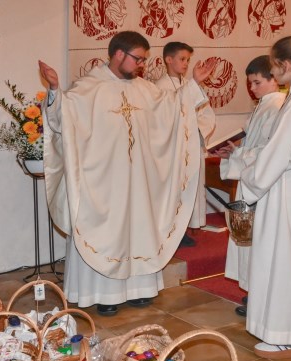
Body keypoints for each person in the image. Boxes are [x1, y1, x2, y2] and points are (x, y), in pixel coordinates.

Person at [39, 31, 213, 316]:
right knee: (106, 231)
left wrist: (193, 83)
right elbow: (62, 119)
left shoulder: (145, 89)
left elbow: (172, 108)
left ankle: (139, 289)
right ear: (119, 54)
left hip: (138, 181)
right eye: (138, 59)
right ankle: (103, 293)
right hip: (104, 182)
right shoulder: (88, 88)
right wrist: (56, 90)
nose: (142, 65)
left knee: (140, 227)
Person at [217, 27, 291, 359]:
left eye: (274, 64)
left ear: (285, 65)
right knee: (281, 257)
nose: (273, 70)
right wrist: (247, 167)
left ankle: (288, 336)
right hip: (287, 184)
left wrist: (248, 184)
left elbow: (278, 155)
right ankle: (282, 331)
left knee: (286, 260)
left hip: (286, 186)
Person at [220, 55, 286, 317]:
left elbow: (269, 152)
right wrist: (237, 150)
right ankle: (254, 292)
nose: (253, 89)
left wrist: (240, 156)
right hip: (250, 180)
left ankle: (263, 295)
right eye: (250, 84)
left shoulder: (278, 106)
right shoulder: (264, 105)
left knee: (260, 241)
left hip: (263, 185)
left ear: (274, 79)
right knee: (249, 240)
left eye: (257, 82)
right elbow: (255, 145)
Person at [155, 41, 216, 248]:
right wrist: (195, 84)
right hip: (174, 150)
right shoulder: (159, 87)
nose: (186, 64)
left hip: (191, 144)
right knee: (176, 191)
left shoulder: (186, 85)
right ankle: (174, 231)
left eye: (188, 60)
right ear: (168, 59)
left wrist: (198, 130)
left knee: (190, 188)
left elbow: (204, 112)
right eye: (182, 59)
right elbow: (166, 116)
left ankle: (185, 228)